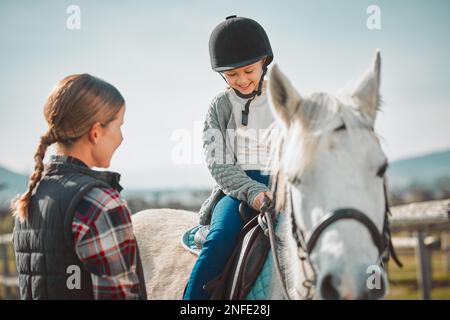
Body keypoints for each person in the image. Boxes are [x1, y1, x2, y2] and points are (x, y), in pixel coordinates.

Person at [10, 74, 147, 299]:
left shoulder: (33, 195)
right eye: (119, 126)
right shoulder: (99, 202)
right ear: (95, 132)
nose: (121, 138)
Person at [184, 15, 275, 299]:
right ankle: (192, 303)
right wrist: (254, 192)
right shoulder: (219, 107)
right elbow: (219, 164)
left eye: (248, 71)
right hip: (236, 189)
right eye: (232, 75)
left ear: (264, 62)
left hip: (284, 184)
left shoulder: (284, 99)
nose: (242, 80)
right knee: (220, 239)